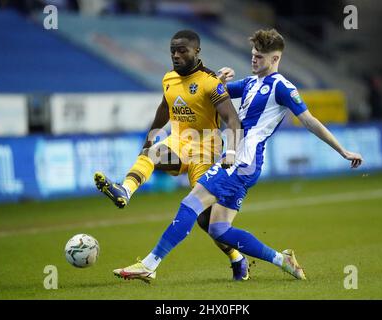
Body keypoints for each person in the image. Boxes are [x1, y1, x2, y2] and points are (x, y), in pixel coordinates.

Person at [113, 28, 364, 282]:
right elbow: (208, 92)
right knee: (218, 228)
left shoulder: (283, 87)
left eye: (260, 57)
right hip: (241, 163)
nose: (253, 60)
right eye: (253, 55)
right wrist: (220, 78)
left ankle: (149, 264)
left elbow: (309, 121)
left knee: (191, 204)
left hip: (242, 159)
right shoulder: (249, 83)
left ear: (275, 59)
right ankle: (282, 259)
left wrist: (342, 150)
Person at [94, 30, 250, 281]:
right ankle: (125, 190)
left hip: (206, 150)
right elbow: (164, 108)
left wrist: (231, 150)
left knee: (207, 222)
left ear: (196, 51)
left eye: (182, 51)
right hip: (178, 143)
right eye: (172, 51)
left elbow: (232, 118)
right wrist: (150, 135)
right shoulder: (168, 79)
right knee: (151, 153)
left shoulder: (210, 81)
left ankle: (237, 258)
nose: (176, 55)